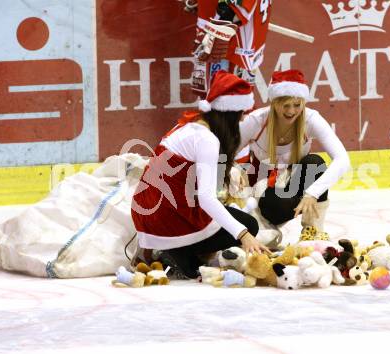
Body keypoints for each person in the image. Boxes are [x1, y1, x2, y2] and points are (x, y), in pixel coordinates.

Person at [131, 71, 270, 279]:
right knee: (249, 225)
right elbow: (206, 199)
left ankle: (177, 251)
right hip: (167, 217)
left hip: (148, 212)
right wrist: (244, 235)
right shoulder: (207, 140)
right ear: (229, 114)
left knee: (232, 220)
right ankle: (176, 250)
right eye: (241, 112)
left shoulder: (190, 125)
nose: (242, 118)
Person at [238, 69, 351, 237]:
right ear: (274, 103)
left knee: (315, 163)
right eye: (286, 105)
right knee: (275, 208)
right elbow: (224, 154)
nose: (291, 111)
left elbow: (343, 160)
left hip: (294, 184)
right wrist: (236, 172)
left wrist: (313, 193)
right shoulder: (256, 121)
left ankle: (312, 232)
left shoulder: (311, 119)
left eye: (297, 105)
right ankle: (263, 226)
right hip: (261, 192)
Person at [188, 0, 272, 96]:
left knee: (220, 99)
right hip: (244, 48)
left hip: (229, 47)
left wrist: (213, 34)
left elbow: (234, 12)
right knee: (231, 99)